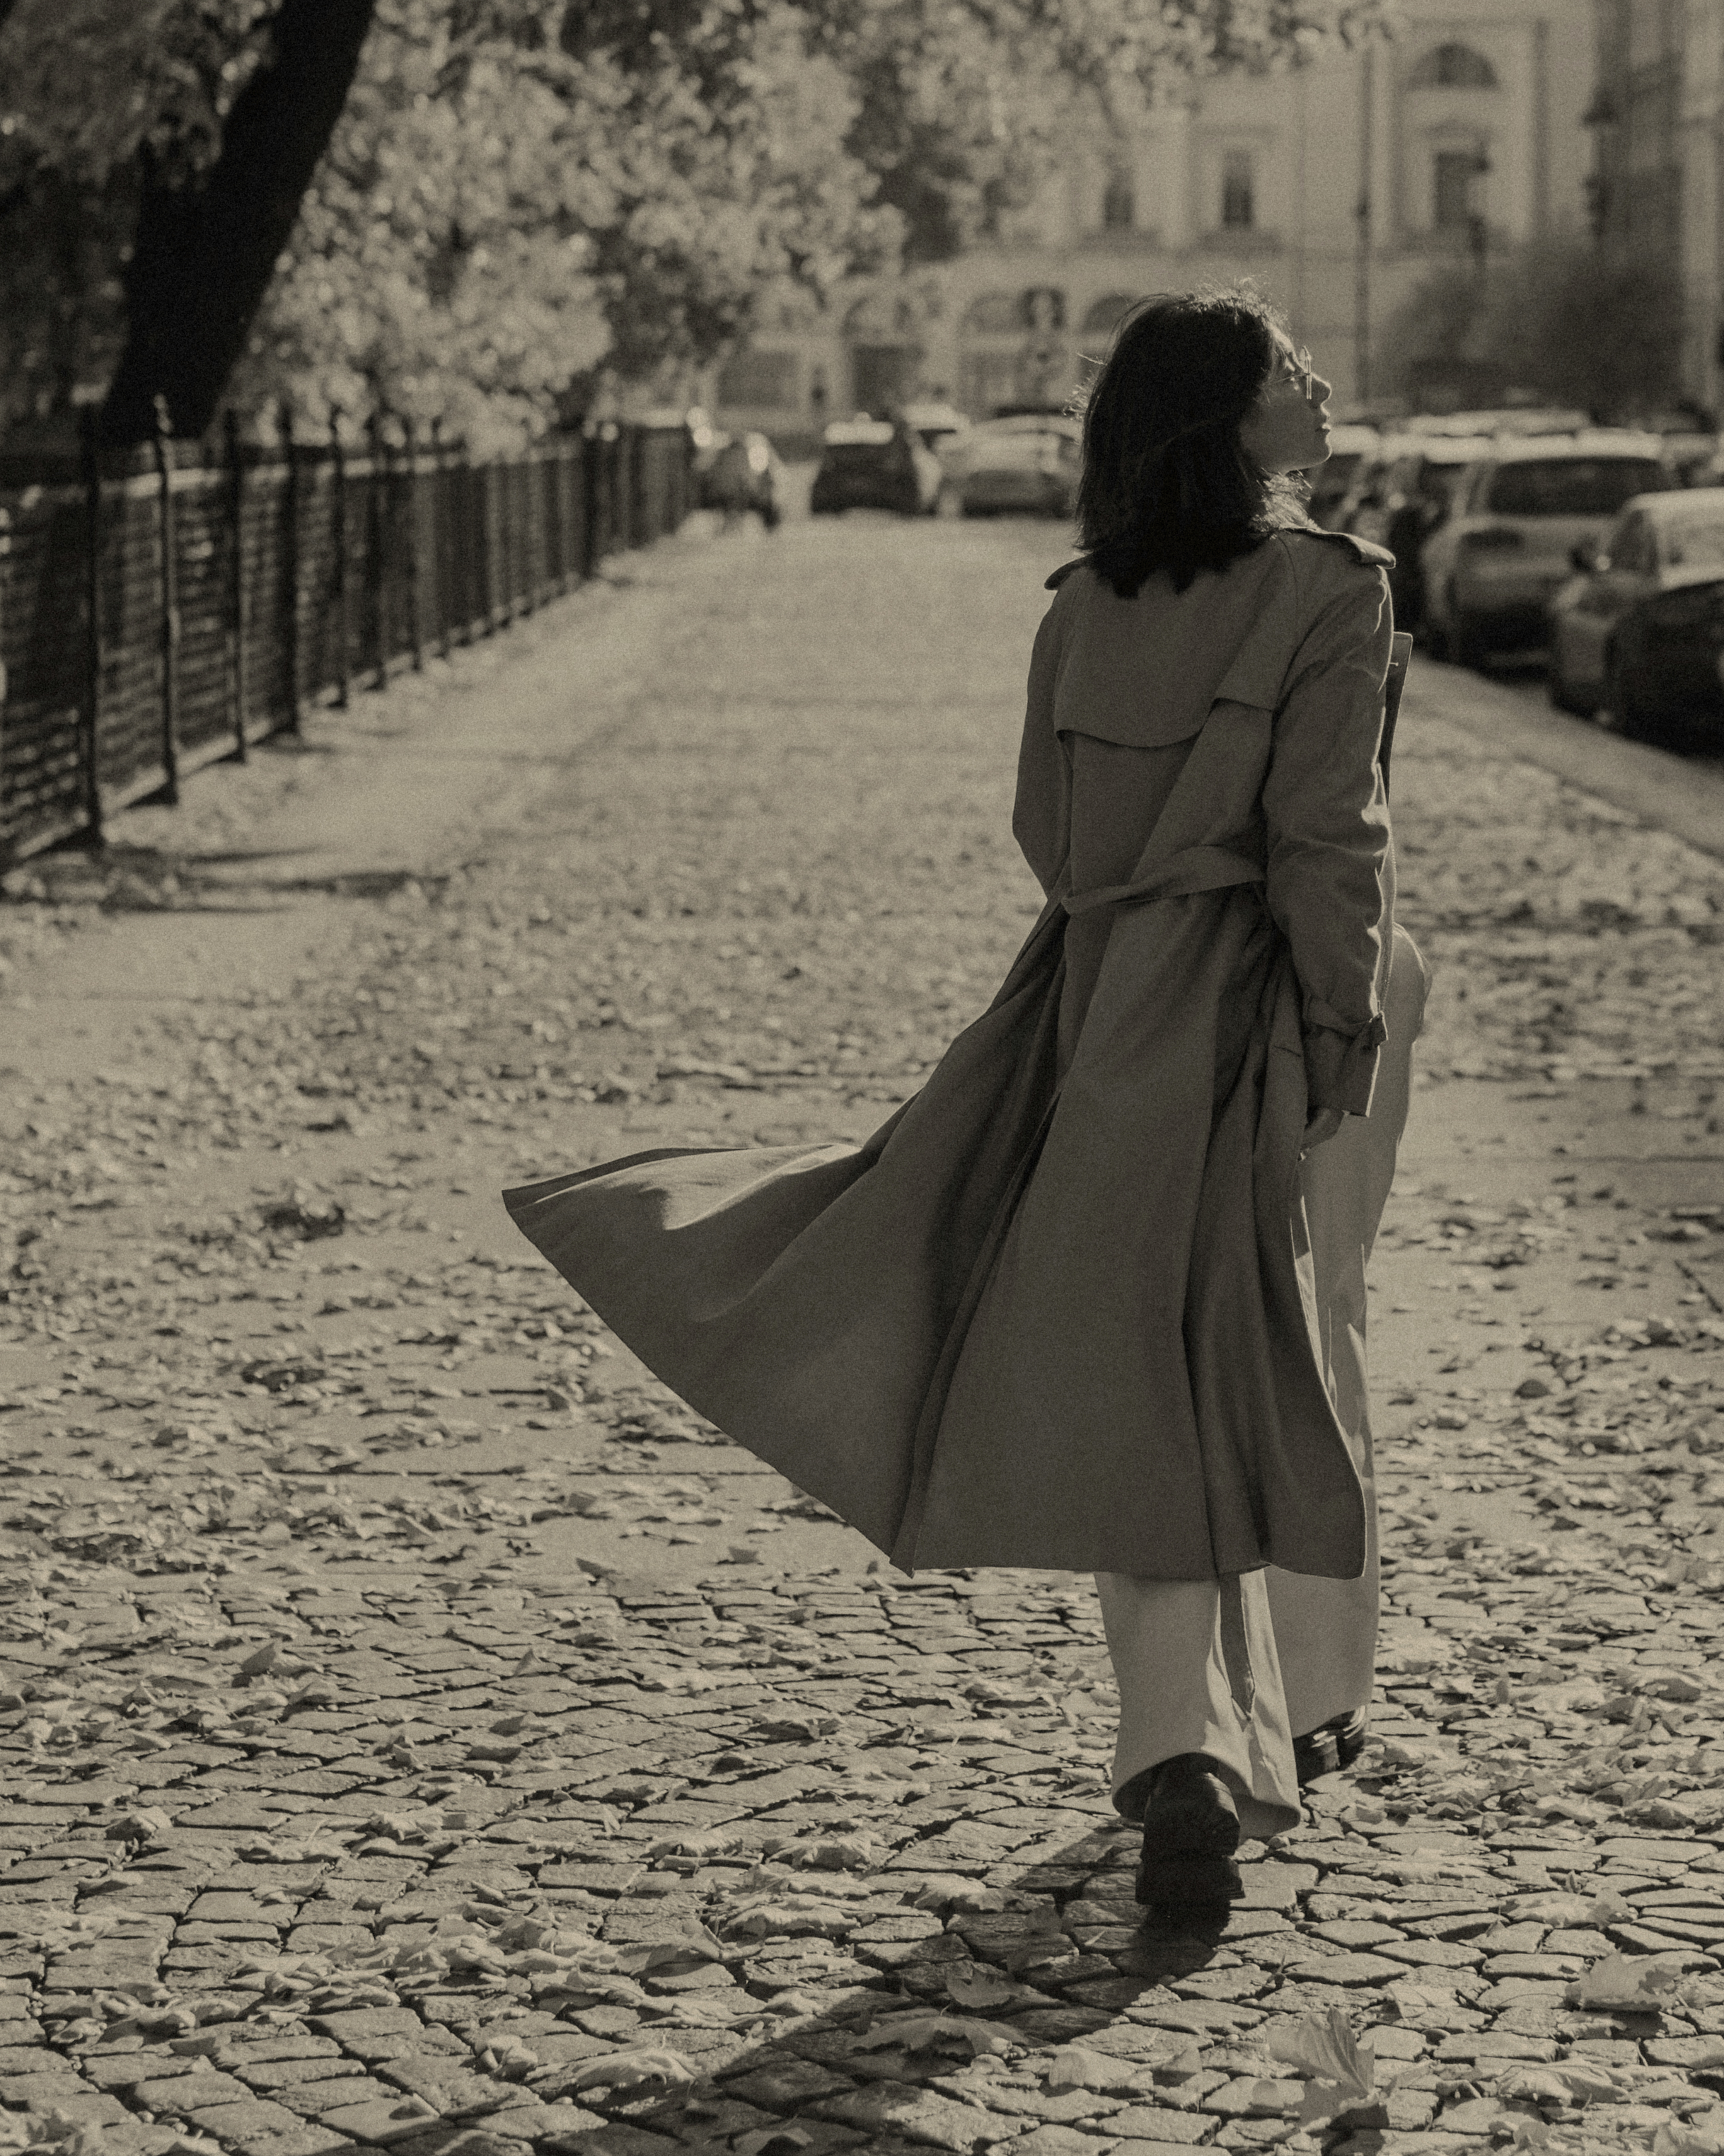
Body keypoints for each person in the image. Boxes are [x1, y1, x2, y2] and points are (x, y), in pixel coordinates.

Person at [505, 284, 1428, 1917]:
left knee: (1134, 1368)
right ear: (1227, 416)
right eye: (1291, 366)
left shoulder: (1080, 605)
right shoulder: (1327, 591)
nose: (1319, 380)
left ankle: (1192, 1749)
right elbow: (1327, 844)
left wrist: (1138, 908)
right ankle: (1285, 1709)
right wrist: (1340, 1036)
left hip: (1089, 1012)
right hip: (1269, 1013)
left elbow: (1053, 841)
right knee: (1295, 1333)